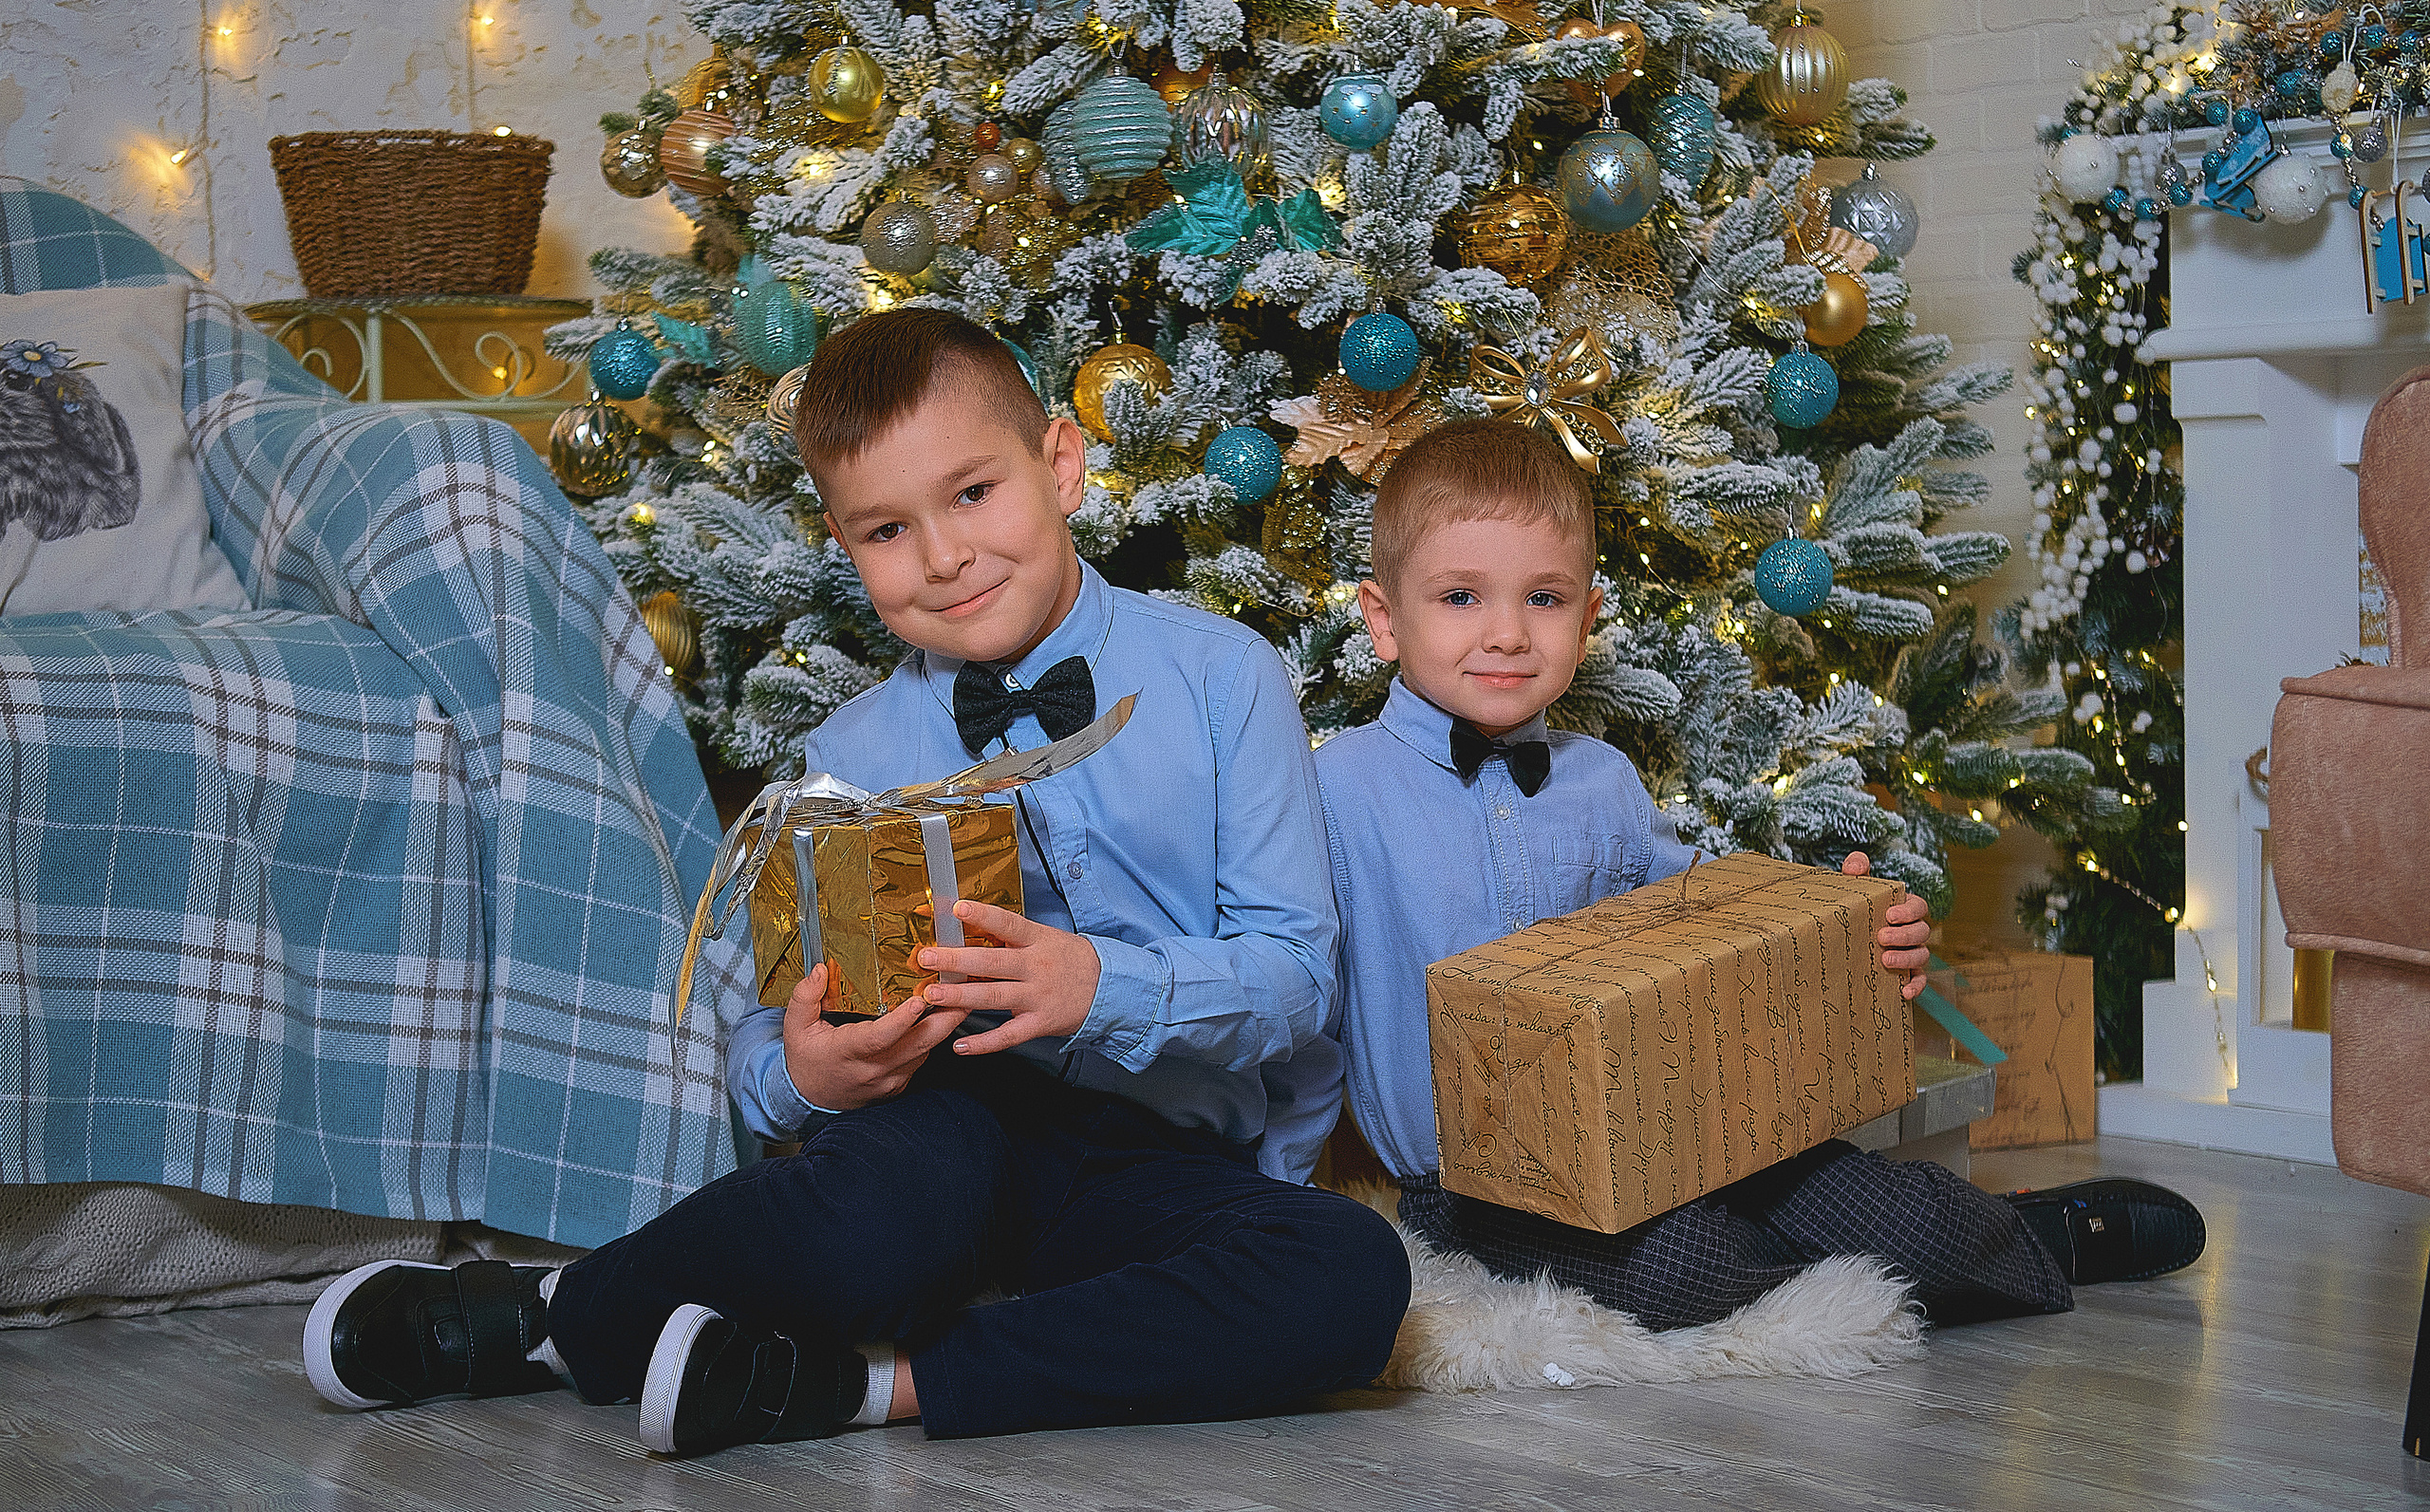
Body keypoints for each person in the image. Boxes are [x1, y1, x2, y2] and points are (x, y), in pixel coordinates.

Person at [301, 310, 1409, 1452]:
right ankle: (553, 1316)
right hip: (937, 1140)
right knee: (889, 1207)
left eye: (975, 493)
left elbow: (1294, 983)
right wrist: (811, 1076)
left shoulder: (1224, 677)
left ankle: (860, 1384)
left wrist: (1102, 987)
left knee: (1350, 1273)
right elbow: (758, 1043)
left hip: (1155, 1158)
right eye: (888, 528)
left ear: (1063, 464)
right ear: (843, 544)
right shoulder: (847, 756)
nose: (943, 557)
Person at [1318, 420, 2205, 1332]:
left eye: (1544, 598)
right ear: (1384, 620)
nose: (1506, 633)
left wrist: (1845, 926)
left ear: (1588, 618)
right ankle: (1829, 1266)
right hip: (1481, 1186)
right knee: (1682, 1267)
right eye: (1461, 597)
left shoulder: (1606, 782)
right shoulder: (1336, 793)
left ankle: (2035, 1233)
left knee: (1904, 1212)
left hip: (1683, 1127)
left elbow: (1714, 929)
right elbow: (1292, 1001)